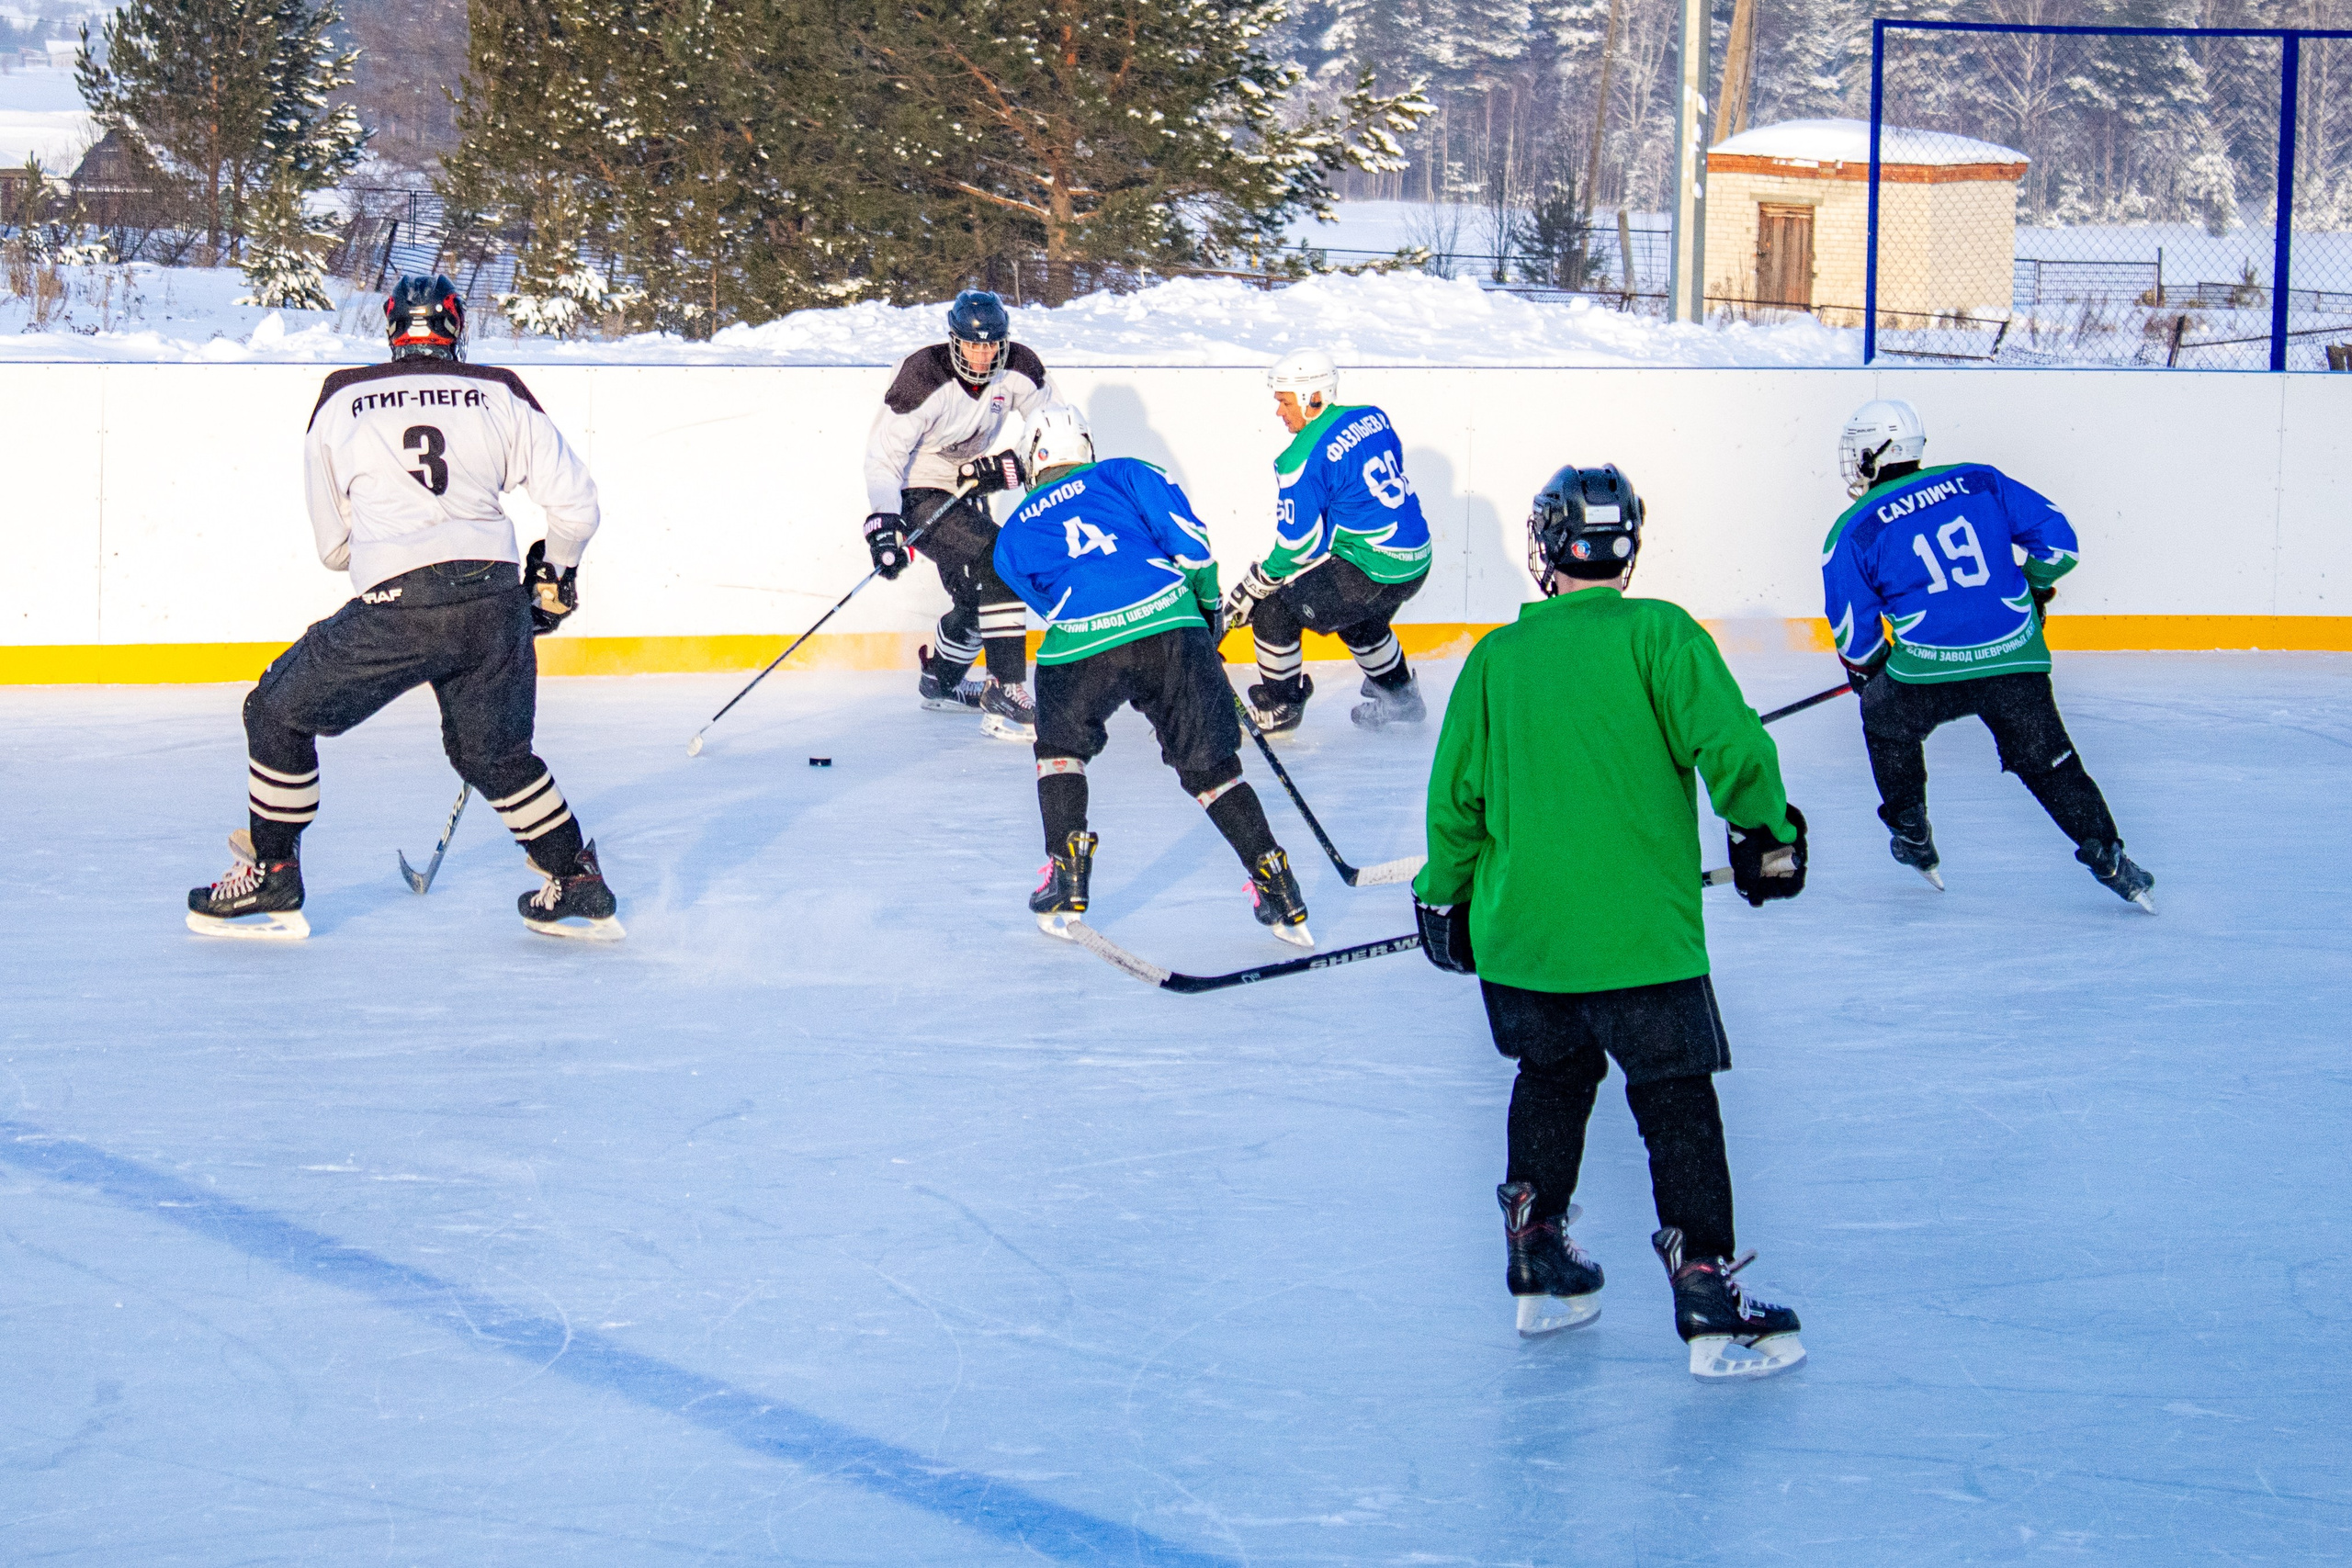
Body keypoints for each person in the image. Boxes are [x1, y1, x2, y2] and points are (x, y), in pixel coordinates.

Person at [1412, 462, 1808, 1382]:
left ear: (1542, 548)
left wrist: (1444, 896)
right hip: (1640, 943)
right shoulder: (1659, 634)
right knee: (1674, 1102)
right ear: (1627, 551)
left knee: (1550, 1078)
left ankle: (1538, 1256)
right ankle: (1707, 1293)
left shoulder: (1494, 660)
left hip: (1525, 947)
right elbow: (1734, 747)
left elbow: (1455, 804)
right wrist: (1766, 833)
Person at [186, 275, 620, 942]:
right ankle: (577, 878)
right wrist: (553, 578)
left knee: (275, 711)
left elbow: (334, 547)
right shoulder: (498, 389)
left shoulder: (342, 397)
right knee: (497, 754)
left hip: (399, 604)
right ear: (455, 328)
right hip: (493, 599)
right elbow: (577, 506)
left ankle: (272, 872)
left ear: (393, 330)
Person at [993, 407, 1312, 948]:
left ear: (1033, 460)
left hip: (1084, 639)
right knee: (1213, 769)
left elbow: (1049, 602)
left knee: (1060, 750)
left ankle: (1067, 872)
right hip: (1171, 623)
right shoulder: (1126, 472)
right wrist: (1207, 615)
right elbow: (1194, 548)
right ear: (1087, 448)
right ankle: (1276, 883)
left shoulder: (1014, 532)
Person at [1822, 399, 2154, 911]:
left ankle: (1911, 832)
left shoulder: (1853, 528)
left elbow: (1853, 635)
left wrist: (1870, 674)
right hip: (2015, 660)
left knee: (1885, 720)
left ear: (1873, 452)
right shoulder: (1981, 480)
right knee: (2049, 764)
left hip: (1927, 671)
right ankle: (2108, 854)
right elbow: (2060, 548)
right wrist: (2035, 590)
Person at [861, 288, 1064, 740]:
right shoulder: (922, 376)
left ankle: (941, 682)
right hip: (918, 486)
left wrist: (1014, 465)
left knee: (980, 601)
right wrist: (884, 524)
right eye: (972, 344)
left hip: (968, 484)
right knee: (1000, 558)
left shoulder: (1021, 367)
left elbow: (1058, 430)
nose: (981, 353)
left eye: (991, 343)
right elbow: (883, 460)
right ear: (953, 341)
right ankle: (1006, 686)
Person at [1220, 347, 1433, 734]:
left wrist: (1254, 586)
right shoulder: (1372, 417)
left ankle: (1282, 706)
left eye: (1285, 402)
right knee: (1359, 620)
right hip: (1416, 560)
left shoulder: (1299, 457)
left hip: (1376, 568)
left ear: (1312, 398)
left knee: (1273, 612)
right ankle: (1402, 697)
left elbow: (1299, 547)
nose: (1279, 412)